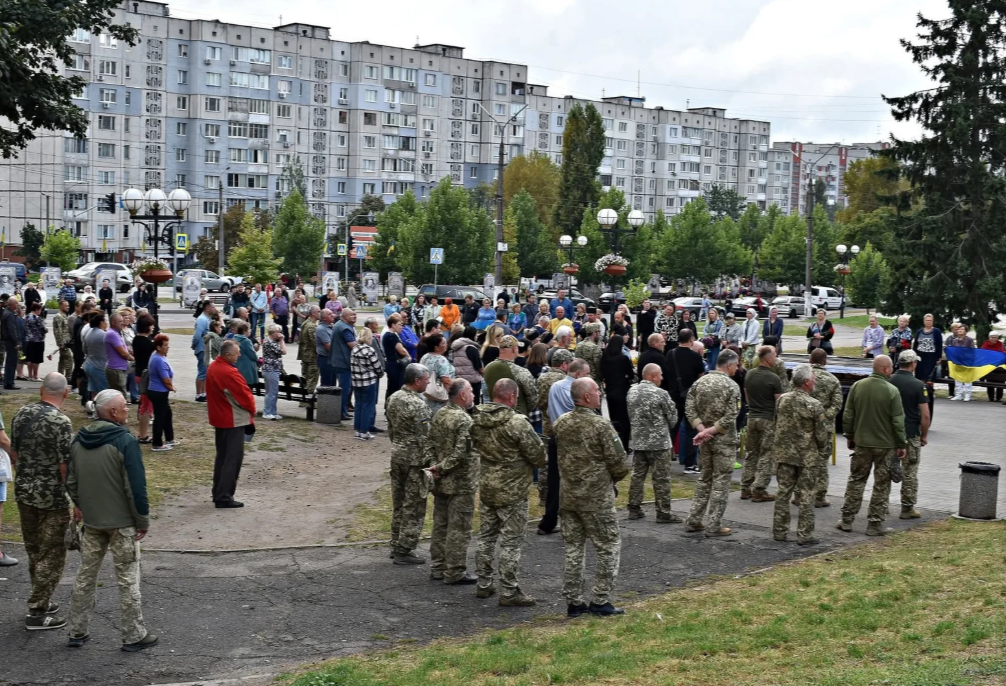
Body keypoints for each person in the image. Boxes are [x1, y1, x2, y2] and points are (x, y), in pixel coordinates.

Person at [66, 389, 156, 651]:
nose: (128, 410)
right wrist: (142, 519)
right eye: (125, 407)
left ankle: (77, 630)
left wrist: (82, 505)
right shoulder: (125, 441)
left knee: (85, 575)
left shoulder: (78, 440)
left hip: (93, 522)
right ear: (113, 412)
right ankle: (133, 634)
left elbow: (71, 481)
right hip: (122, 523)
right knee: (127, 578)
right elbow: (135, 486)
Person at [553, 376, 629, 616]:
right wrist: (610, 479)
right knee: (608, 545)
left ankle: (574, 601)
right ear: (587, 397)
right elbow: (619, 462)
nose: (600, 393)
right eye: (597, 390)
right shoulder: (601, 426)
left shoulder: (561, 423)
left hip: (569, 495)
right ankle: (600, 599)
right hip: (596, 498)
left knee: (574, 547)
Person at [471, 378, 546, 605]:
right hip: (513, 489)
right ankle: (509, 591)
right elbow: (537, 455)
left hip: (488, 485)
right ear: (512, 397)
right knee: (511, 541)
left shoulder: (477, 420)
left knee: (486, 536)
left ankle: (484, 583)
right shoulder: (517, 423)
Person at [11, 372, 74, 630]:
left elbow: (14, 453)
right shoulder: (61, 422)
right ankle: (37, 612)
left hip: (25, 492)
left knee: (35, 550)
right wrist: (75, 497)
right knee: (53, 553)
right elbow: (64, 467)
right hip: (52, 497)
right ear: (66, 393)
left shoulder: (21, 414)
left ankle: (42, 598)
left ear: (41, 391)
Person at [838, 355, 907, 536]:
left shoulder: (857, 387)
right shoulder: (892, 391)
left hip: (862, 443)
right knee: (881, 484)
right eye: (891, 367)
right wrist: (901, 443)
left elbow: (848, 414)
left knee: (856, 480)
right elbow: (898, 421)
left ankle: (846, 519)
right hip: (885, 446)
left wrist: (850, 435)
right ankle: (874, 524)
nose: (892, 370)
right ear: (885, 369)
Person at [684, 349, 741, 538]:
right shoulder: (732, 386)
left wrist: (702, 430)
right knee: (721, 482)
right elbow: (732, 414)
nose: (738, 367)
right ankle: (714, 524)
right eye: (736, 364)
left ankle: (694, 519)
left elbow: (689, 408)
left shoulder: (699, 382)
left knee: (705, 478)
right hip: (723, 440)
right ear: (730, 365)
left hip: (705, 440)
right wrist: (711, 431)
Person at [771, 364, 828, 546]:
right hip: (807, 457)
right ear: (806, 382)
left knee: (783, 493)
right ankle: (805, 534)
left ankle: (779, 531)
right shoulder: (814, 404)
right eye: (813, 378)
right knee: (806, 495)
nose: (815, 381)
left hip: (785, 455)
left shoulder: (782, 400)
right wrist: (822, 449)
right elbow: (821, 435)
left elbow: (776, 424)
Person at [428, 379, 478, 585]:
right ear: (463, 395)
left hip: (441, 481)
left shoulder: (439, 413)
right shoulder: (464, 420)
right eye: (471, 391)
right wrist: (440, 468)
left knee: (441, 525)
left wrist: (434, 466)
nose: (474, 395)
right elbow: (461, 453)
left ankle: (438, 567)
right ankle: (455, 571)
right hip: (460, 483)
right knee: (459, 528)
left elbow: (429, 443)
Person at [386, 364, 435, 564]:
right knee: (413, 504)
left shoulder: (393, 398)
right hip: (414, 459)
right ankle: (404, 548)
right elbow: (425, 437)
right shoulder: (418, 404)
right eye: (426, 379)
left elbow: (390, 427)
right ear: (417, 381)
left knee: (399, 503)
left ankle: (396, 542)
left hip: (397, 454)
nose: (428, 382)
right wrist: (431, 461)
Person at [538, 358, 590, 534]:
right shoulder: (576, 390)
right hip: (574, 440)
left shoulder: (555, 386)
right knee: (578, 481)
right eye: (586, 374)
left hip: (556, 435)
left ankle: (548, 521)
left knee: (555, 480)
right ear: (578, 374)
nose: (588, 377)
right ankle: (576, 522)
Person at [206, 340, 257, 509]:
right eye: (237, 353)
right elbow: (244, 395)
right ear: (227, 355)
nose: (239, 355)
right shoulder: (228, 372)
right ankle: (224, 496)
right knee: (232, 459)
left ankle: (218, 492)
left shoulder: (214, 367)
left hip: (220, 418)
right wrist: (253, 409)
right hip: (232, 419)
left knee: (222, 457)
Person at [627, 363, 680, 523]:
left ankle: (634, 508)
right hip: (659, 443)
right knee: (661, 478)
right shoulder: (661, 393)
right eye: (660, 375)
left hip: (638, 440)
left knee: (637, 476)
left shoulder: (632, 391)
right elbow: (672, 419)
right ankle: (663, 513)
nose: (662, 378)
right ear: (653, 376)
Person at [797, 348, 844, 508]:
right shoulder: (833, 380)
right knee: (821, 461)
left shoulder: (802, 377)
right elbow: (837, 405)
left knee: (801, 460)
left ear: (810, 360)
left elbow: (794, 398)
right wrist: (822, 417)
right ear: (825, 361)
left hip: (803, 425)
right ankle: (819, 496)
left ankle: (799, 495)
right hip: (824, 427)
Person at [887, 350, 930, 521]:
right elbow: (925, 415)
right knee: (910, 471)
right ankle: (907, 508)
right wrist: (924, 435)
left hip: (889, 434)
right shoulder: (918, 385)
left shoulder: (888, 381)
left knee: (885, 471)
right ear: (912, 364)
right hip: (910, 434)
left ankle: (881, 506)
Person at [740, 345, 784, 502]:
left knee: (751, 453)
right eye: (775, 356)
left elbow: (747, 397)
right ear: (768, 358)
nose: (776, 358)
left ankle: (745, 487)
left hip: (752, 417)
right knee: (766, 454)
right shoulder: (774, 378)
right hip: (768, 419)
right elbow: (779, 402)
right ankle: (759, 489)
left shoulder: (750, 374)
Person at [535, 349, 574, 510]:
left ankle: (544, 495)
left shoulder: (543, 378)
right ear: (564, 364)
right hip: (564, 423)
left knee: (546, 463)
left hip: (547, 423)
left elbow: (540, 401)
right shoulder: (564, 380)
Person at [666, 329, 705, 473]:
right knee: (690, 430)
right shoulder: (695, 357)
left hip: (673, 395)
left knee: (672, 428)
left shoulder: (670, 354)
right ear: (691, 340)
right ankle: (690, 464)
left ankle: (664, 459)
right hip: (689, 396)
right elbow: (701, 377)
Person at [483, 335, 538, 418]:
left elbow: (485, 395)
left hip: (492, 415)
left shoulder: (487, 368)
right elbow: (533, 399)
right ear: (514, 349)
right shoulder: (521, 371)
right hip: (516, 418)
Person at [601, 335, 634, 450]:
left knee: (614, 419)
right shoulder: (623, 359)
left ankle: (615, 446)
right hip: (622, 391)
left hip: (610, 391)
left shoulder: (605, 358)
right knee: (624, 420)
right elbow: (630, 374)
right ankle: (624, 446)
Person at [350, 327, 383, 439]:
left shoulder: (354, 349)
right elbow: (377, 366)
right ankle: (364, 431)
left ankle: (358, 430)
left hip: (356, 381)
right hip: (369, 381)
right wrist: (380, 374)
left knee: (359, 405)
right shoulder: (370, 350)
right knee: (368, 406)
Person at [145, 334, 175, 452]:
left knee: (167, 414)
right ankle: (157, 443)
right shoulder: (158, 359)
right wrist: (172, 387)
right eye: (165, 345)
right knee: (160, 418)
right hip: (158, 392)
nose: (168, 347)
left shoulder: (158, 356)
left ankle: (169, 439)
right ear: (158, 347)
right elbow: (165, 379)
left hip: (159, 391)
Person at [912, 313, 943, 416]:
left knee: (929, 378)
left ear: (932, 321)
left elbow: (939, 345)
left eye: (930, 320)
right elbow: (916, 345)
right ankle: (920, 394)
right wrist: (914, 356)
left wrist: (938, 357)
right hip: (920, 357)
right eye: (927, 320)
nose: (928, 322)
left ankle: (929, 394)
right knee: (920, 378)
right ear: (924, 321)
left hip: (931, 358)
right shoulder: (920, 332)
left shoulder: (936, 332)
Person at [133, 315, 155, 444]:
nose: (153, 328)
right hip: (146, 376)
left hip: (139, 374)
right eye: (151, 325)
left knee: (145, 405)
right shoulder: (147, 343)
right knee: (146, 407)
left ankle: (143, 434)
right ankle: (143, 435)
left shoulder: (137, 339)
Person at [420, 333, 455, 414]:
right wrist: (452, 395)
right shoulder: (441, 359)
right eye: (443, 343)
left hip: (427, 394)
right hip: (439, 398)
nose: (446, 344)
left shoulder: (425, 357)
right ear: (436, 348)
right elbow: (446, 380)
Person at [449, 325, 484, 405]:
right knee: (474, 403)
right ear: (473, 335)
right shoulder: (471, 348)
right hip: (473, 381)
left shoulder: (456, 347)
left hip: (460, 380)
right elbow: (478, 367)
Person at [104, 313, 133, 401]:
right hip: (116, 369)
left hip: (118, 368)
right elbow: (123, 353)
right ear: (113, 323)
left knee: (116, 394)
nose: (122, 323)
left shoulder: (115, 333)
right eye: (120, 321)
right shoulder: (112, 334)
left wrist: (128, 349)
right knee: (120, 395)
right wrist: (134, 359)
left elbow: (123, 348)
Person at [191, 302, 216, 402]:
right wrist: (194, 345)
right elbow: (197, 335)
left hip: (205, 348)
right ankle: (199, 394)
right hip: (202, 348)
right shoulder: (202, 320)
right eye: (212, 307)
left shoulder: (206, 319)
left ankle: (203, 393)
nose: (214, 309)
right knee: (202, 371)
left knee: (204, 371)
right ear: (207, 308)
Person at [82, 311, 109, 403]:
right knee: (103, 391)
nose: (107, 323)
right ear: (101, 323)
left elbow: (84, 350)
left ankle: (93, 410)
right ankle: (101, 411)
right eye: (106, 321)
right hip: (99, 366)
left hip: (89, 364)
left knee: (93, 390)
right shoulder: (104, 334)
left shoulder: (88, 332)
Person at [261, 324, 286, 421]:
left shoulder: (272, 341)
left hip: (274, 369)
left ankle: (273, 412)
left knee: (274, 392)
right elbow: (284, 351)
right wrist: (282, 340)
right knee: (271, 392)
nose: (280, 334)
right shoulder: (269, 342)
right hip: (270, 369)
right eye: (278, 332)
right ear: (273, 332)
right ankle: (267, 412)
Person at [946, 322, 976, 401]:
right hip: (958, 362)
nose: (960, 330)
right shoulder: (955, 341)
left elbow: (972, 350)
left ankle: (967, 395)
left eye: (962, 329)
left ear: (965, 331)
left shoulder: (969, 340)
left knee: (967, 379)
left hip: (967, 362)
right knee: (958, 378)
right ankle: (958, 394)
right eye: (959, 329)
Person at [575, 322, 603, 388]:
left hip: (580, 380)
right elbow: (599, 367)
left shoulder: (579, 345)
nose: (599, 335)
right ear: (594, 333)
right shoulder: (595, 348)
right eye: (598, 332)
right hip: (593, 381)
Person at [24, 301, 47, 381]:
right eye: (40, 310)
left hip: (29, 340)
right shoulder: (37, 318)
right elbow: (43, 328)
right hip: (38, 340)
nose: (40, 312)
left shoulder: (26, 317)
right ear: (37, 309)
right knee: (36, 359)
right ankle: (35, 376)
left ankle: (30, 375)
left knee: (30, 359)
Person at [2, 297, 21, 389]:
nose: (17, 305)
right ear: (12, 304)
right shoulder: (9, 314)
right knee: (11, 362)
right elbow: (11, 330)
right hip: (10, 342)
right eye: (16, 304)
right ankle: (9, 383)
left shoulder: (7, 312)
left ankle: (9, 382)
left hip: (8, 341)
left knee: (10, 362)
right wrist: (16, 342)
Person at [980, 332, 1005, 402]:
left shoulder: (1000, 344)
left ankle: (998, 398)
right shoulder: (985, 344)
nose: (993, 339)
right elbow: (982, 353)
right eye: (992, 337)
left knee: (1000, 381)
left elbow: (1002, 353)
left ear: (997, 338)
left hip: (998, 366)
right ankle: (991, 398)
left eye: (995, 337)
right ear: (989, 338)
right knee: (989, 381)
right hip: (989, 366)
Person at [233, 322, 260, 390]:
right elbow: (253, 356)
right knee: (248, 389)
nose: (250, 330)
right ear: (244, 331)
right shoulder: (246, 341)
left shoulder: (234, 339)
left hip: (238, 366)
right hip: (247, 369)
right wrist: (256, 354)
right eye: (249, 329)